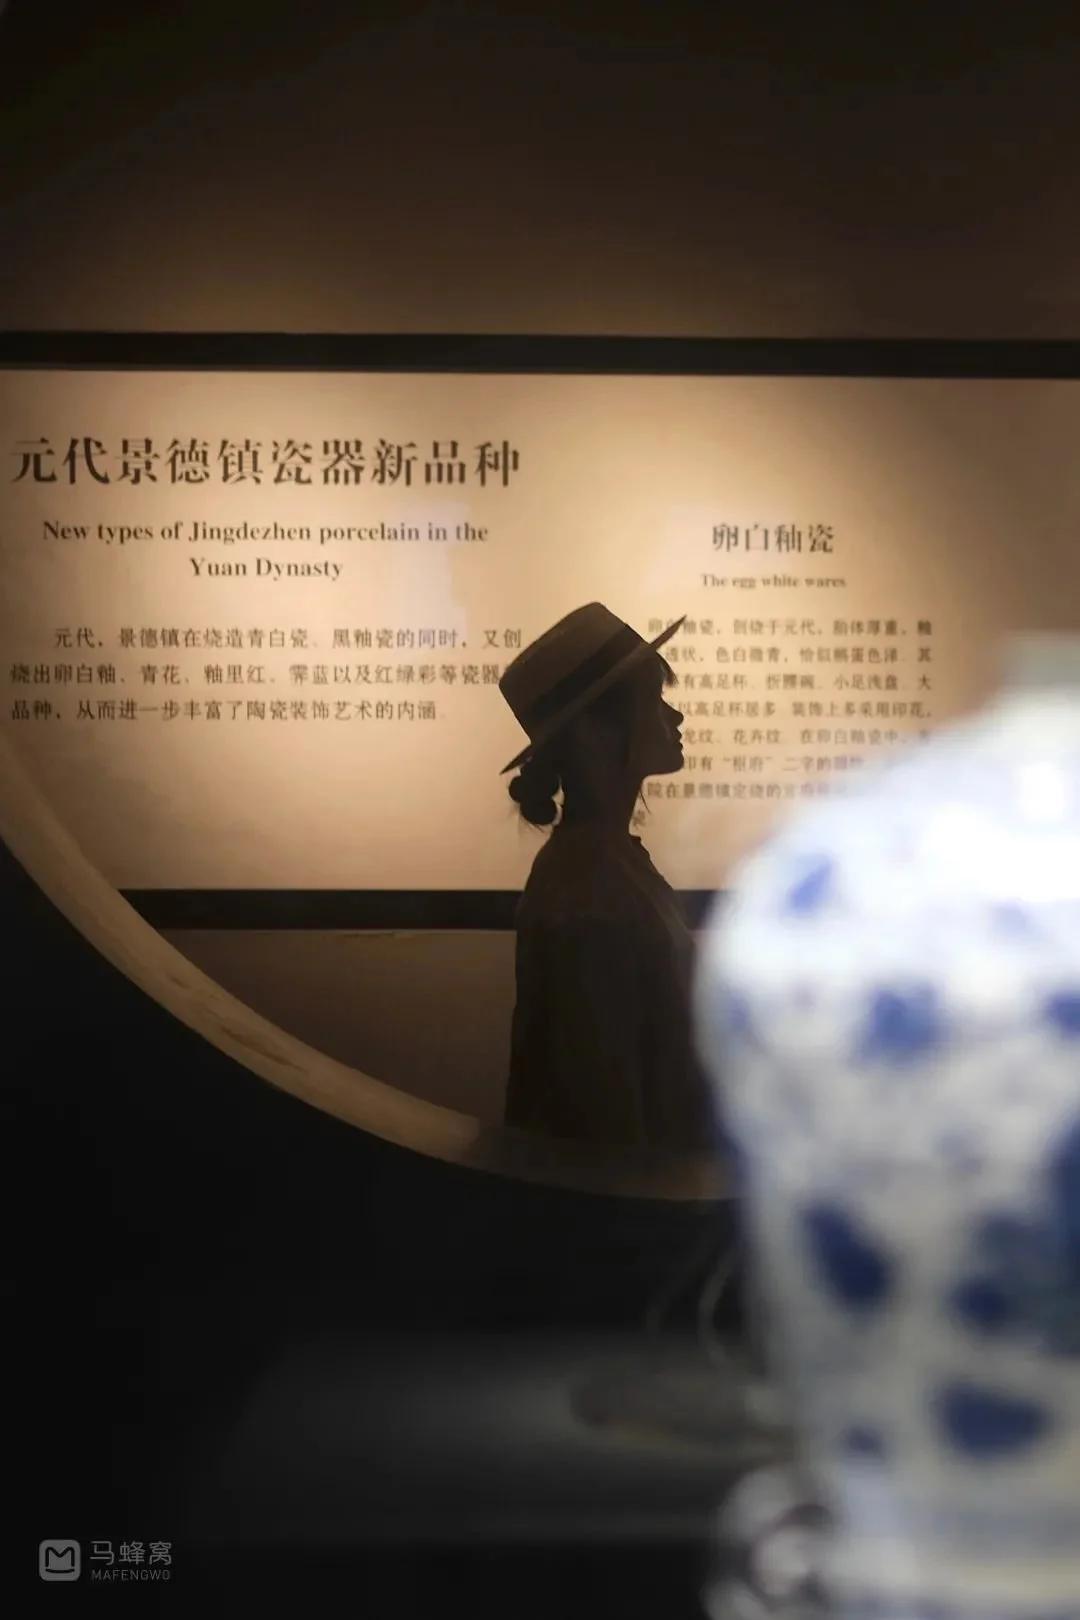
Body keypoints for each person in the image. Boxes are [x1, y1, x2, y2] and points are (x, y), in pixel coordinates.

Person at [498, 602, 718, 1154]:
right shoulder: (587, 890)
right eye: (654, 700)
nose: (675, 717)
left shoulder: (605, 862)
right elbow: (603, 1112)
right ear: (593, 731)